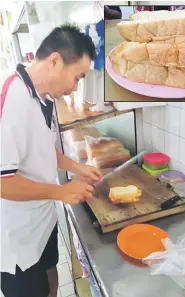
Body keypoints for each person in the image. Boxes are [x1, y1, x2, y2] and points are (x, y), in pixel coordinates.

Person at [0, 24, 103, 297]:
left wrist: (78, 167)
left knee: (50, 278)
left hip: (42, 221)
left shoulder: (43, 96)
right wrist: (59, 191)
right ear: (55, 61)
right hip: (18, 238)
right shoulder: (11, 98)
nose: (74, 87)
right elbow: (2, 182)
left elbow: (41, 148)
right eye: (77, 77)